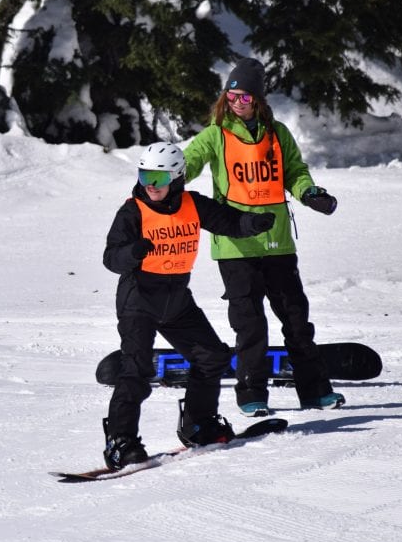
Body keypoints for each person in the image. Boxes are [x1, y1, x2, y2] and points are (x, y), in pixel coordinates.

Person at [183, 57, 344, 418]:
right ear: (226, 97)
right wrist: (167, 178)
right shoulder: (215, 134)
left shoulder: (278, 134)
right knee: (250, 324)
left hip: (278, 242)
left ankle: (316, 391)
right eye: (233, 95)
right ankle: (252, 393)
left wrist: (308, 193)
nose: (239, 102)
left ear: (258, 99)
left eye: (246, 96)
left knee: (297, 319)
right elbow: (190, 161)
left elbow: (295, 172)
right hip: (235, 245)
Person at [101, 142, 275, 470]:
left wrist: (251, 224)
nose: (150, 184)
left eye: (158, 177)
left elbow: (228, 221)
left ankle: (198, 424)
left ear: (178, 177)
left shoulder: (192, 204)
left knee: (212, 357)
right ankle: (120, 441)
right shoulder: (132, 211)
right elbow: (111, 258)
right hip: (139, 300)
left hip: (177, 300)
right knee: (136, 370)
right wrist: (133, 253)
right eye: (144, 175)